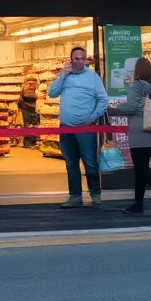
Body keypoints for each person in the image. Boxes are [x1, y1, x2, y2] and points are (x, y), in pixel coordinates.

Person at [108, 57, 151, 215]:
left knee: (141, 168)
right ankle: (138, 203)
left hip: (140, 132)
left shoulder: (137, 86)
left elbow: (131, 107)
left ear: (137, 71)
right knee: (141, 168)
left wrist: (114, 108)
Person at [47, 46, 108, 208]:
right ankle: (75, 196)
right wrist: (62, 75)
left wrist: (92, 118)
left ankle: (95, 194)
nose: (78, 61)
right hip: (66, 127)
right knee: (70, 162)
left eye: (81, 58)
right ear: (70, 60)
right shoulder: (65, 76)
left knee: (90, 162)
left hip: (85, 128)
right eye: (75, 58)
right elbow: (51, 93)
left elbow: (103, 99)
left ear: (85, 60)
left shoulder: (93, 77)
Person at [18, 77, 40, 148]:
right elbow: (28, 97)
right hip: (28, 109)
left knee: (30, 125)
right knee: (29, 125)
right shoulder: (29, 92)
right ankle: (28, 143)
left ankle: (30, 142)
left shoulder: (26, 90)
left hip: (27, 108)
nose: (31, 85)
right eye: (29, 83)